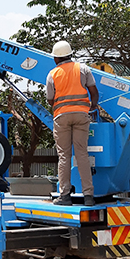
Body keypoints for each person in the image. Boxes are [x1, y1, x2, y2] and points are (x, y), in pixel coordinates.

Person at [46, 41, 99, 206]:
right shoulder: (83, 69)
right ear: (70, 54)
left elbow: (50, 99)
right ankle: (88, 196)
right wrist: (92, 106)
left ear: (56, 58)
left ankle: (65, 196)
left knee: (64, 157)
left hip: (61, 117)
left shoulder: (52, 74)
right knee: (82, 154)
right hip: (82, 115)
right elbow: (94, 92)